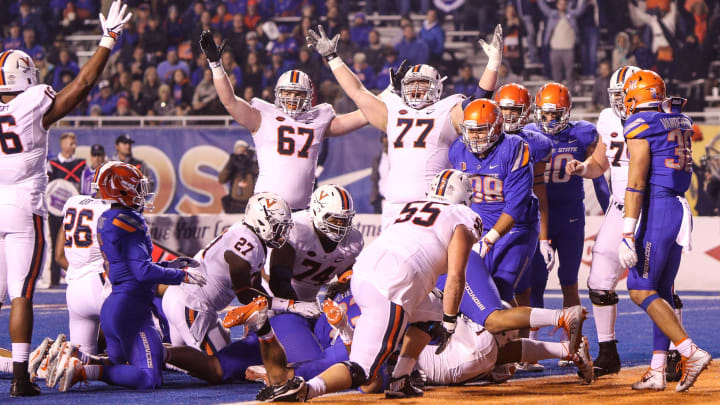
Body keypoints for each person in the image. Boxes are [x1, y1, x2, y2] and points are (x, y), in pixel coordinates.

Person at [260, 169, 587, 401]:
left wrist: (441, 319)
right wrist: (449, 321)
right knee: (363, 370)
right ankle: (306, 390)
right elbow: (457, 273)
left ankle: (401, 378)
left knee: (427, 317)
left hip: (373, 275)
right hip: (396, 285)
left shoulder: (412, 207)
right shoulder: (461, 215)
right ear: (464, 199)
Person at [0, 0, 131, 396]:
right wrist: (107, 40)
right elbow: (82, 87)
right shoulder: (32, 102)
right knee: (22, 292)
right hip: (25, 204)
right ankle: (21, 378)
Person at [307, 24, 504, 229]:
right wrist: (332, 57)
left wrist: (493, 64)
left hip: (435, 205)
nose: (417, 90)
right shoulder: (393, 109)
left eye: (423, 84)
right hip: (395, 207)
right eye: (412, 84)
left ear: (437, 88)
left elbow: (478, 102)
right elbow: (357, 92)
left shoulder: (447, 111)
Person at [46, 161, 207, 392]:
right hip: (117, 298)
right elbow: (142, 270)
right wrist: (180, 275)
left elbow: (127, 263)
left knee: (103, 361)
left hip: (81, 290)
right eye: (136, 186)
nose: (141, 192)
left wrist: (169, 265)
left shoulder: (87, 209)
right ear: (119, 188)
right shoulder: (124, 218)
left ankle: (74, 361)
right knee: (149, 376)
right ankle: (86, 368)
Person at [199, 30, 370, 211]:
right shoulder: (262, 116)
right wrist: (216, 65)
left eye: (298, 93)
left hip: (302, 211)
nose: (292, 98)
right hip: (265, 209)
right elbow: (229, 101)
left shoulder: (317, 120)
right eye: (287, 93)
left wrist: (390, 94)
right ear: (278, 94)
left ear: (309, 97)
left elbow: (364, 115)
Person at [618, 69, 710, 392]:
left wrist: (628, 232)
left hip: (658, 208)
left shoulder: (641, 124)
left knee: (639, 287)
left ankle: (689, 351)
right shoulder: (678, 119)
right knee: (663, 290)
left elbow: (637, 182)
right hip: (678, 208)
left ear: (634, 98)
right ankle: (657, 369)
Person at [565, 65, 640, 376]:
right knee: (598, 279)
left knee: (657, 282)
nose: (620, 101)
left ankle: (676, 352)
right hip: (619, 204)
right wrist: (582, 169)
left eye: (626, 95)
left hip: (651, 205)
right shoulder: (609, 118)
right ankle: (608, 351)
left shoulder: (657, 117)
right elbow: (600, 162)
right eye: (616, 96)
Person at [161, 192, 299, 356]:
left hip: (189, 300)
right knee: (220, 365)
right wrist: (289, 305)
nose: (282, 233)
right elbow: (244, 293)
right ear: (261, 221)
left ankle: (158, 351)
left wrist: (278, 307)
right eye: (278, 227)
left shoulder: (249, 236)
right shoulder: (248, 242)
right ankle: (144, 351)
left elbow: (255, 287)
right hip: (192, 304)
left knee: (178, 357)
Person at [449, 98, 539, 304]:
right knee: (478, 292)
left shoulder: (514, 147)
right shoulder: (458, 149)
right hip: (479, 228)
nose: (474, 136)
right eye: (470, 130)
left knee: (502, 290)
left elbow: (516, 205)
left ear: (496, 128)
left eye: (481, 130)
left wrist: (489, 240)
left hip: (516, 227)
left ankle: (519, 335)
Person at [525, 83, 598, 310]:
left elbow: (598, 173)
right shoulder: (529, 134)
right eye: (544, 114)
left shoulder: (583, 134)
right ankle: (532, 343)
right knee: (535, 283)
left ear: (567, 112)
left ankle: (572, 342)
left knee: (569, 281)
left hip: (570, 216)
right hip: (537, 217)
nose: (548, 120)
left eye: (554, 114)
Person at [267, 185, 363, 302]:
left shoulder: (353, 240)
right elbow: (279, 281)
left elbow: (347, 282)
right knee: (292, 320)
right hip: (273, 297)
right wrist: (296, 306)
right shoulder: (295, 229)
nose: (340, 226)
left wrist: (342, 293)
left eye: (345, 220)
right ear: (316, 213)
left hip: (311, 300)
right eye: (334, 219)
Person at [54, 168, 112, 356]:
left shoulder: (73, 202)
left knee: (81, 361)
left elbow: (58, 256)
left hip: (75, 289)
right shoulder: (110, 210)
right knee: (138, 354)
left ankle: (49, 358)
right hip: (102, 285)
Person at [47, 132, 87, 287]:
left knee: (75, 245)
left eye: (75, 143)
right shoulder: (52, 164)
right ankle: (54, 279)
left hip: (74, 210)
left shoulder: (81, 164)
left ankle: (76, 277)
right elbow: (48, 188)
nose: (74, 146)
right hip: (55, 211)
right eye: (71, 143)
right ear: (63, 145)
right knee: (54, 245)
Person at [218, 140, 259, 213]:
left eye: (243, 152)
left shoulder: (253, 166)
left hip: (250, 205)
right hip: (234, 205)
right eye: (238, 153)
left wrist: (250, 163)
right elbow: (222, 180)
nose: (241, 156)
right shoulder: (233, 166)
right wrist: (230, 164)